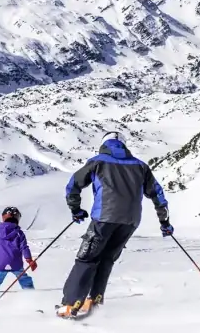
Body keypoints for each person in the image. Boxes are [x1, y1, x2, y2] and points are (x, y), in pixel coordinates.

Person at [56, 131, 173, 318]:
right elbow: (157, 194)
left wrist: (76, 210)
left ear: (104, 144)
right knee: (107, 259)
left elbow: (73, 186)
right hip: (130, 221)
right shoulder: (140, 166)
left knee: (87, 258)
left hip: (104, 217)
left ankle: (70, 303)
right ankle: (94, 300)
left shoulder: (98, 162)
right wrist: (164, 222)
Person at [0, 206, 37, 307]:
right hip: (16, 264)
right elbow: (24, 247)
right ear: (17, 218)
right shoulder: (19, 233)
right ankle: (31, 299)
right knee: (24, 279)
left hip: (2, 263)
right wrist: (29, 259)